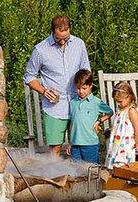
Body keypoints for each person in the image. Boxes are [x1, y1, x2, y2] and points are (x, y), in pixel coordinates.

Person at [23, 15, 91, 155]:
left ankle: (80, 175)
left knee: (79, 146)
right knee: (56, 147)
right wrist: (43, 90)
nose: (62, 42)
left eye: (65, 38)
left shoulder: (79, 44)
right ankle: (53, 175)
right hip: (54, 106)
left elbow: (86, 72)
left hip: (78, 103)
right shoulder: (40, 50)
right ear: (52, 31)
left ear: (69, 30)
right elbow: (29, 76)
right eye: (58, 38)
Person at [67, 69, 113, 164]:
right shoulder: (73, 103)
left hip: (90, 144)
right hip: (75, 144)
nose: (81, 91)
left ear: (90, 85)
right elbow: (72, 123)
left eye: (84, 88)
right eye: (78, 88)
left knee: (93, 169)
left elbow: (110, 112)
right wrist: (70, 143)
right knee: (76, 170)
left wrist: (99, 121)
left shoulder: (96, 102)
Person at [104, 82, 138, 168]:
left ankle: (124, 180)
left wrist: (136, 144)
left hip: (125, 145)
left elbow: (137, 130)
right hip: (116, 143)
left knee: (123, 165)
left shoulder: (131, 111)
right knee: (115, 166)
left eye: (120, 101)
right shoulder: (120, 109)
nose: (118, 104)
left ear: (129, 97)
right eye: (116, 101)